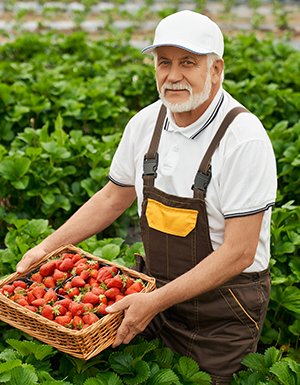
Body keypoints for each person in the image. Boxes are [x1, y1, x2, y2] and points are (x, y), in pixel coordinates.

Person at [16, 10, 277, 385]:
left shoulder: (243, 140)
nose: (173, 75)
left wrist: (153, 302)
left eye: (188, 62)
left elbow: (240, 251)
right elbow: (112, 197)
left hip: (222, 313)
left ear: (216, 69)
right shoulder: (146, 123)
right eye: (163, 62)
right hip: (153, 294)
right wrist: (48, 248)